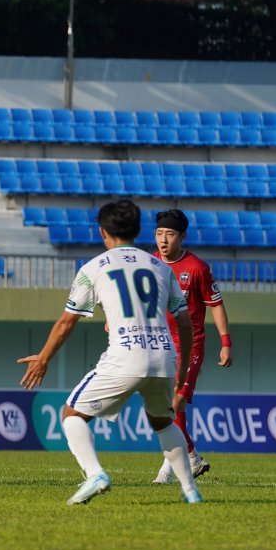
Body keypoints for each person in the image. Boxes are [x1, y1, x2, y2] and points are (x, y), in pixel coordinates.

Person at [18, 199, 203, 505]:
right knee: (163, 421)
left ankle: (95, 474)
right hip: (163, 356)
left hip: (125, 356)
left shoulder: (92, 269)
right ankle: (190, 491)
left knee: (72, 414)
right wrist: (181, 374)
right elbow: (185, 324)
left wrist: (43, 359)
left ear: (102, 232)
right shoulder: (160, 266)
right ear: (140, 230)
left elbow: (66, 323)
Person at [151, 208, 232, 484]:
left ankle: (174, 467)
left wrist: (225, 342)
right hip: (158, 343)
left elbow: (216, 304)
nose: (164, 240)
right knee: (167, 407)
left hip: (190, 345)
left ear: (182, 236)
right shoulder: (150, 263)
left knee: (174, 403)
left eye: (170, 234)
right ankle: (190, 458)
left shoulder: (197, 268)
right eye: (159, 233)